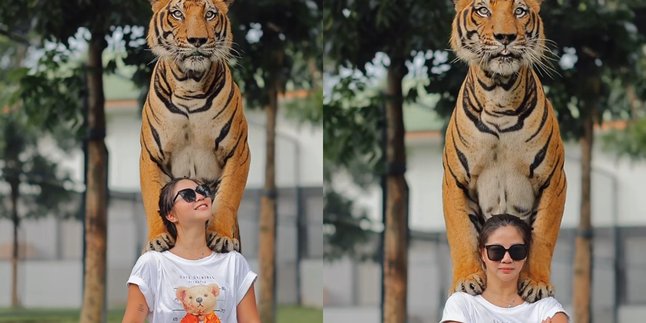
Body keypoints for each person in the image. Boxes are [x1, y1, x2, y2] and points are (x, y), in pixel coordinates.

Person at [122, 177, 260, 323]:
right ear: (171, 214)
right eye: (188, 195)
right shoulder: (152, 264)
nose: (200, 197)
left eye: (203, 191)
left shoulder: (234, 263)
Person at [441, 214, 569, 323]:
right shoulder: (462, 304)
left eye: (516, 251)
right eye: (496, 251)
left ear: (526, 254)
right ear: (482, 253)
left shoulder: (546, 307)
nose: (507, 259)